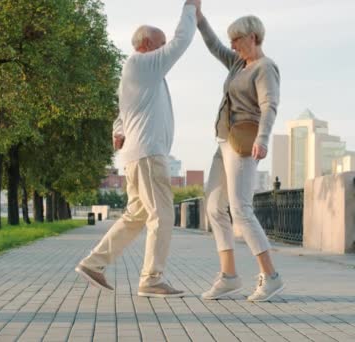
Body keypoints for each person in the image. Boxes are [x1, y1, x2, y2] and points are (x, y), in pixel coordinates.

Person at [75, 0, 200, 298]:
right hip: (148, 154)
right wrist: (190, 7)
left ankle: (94, 264)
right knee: (163, 215)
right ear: (145, 45)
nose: (165, 46)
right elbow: (182, 42)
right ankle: (152, 279)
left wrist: (118, 131)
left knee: (136, 215)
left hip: (138, 155)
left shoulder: (141, 75)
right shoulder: (141, 64)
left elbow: (124, 113)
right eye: (160, 43)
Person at [196, 7, 284, 302]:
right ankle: (229, 277)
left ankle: (271, 277)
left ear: (254, 37)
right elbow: (213, 46)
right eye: (231, 40)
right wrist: (199, 17)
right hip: (224, 141)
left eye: (237, 39)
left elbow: (269, 104)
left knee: (241, 210)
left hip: (245, 143)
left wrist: (263, 138)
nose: (232, 45)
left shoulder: (264, 67)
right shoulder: (237, 64)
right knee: (213, 208)